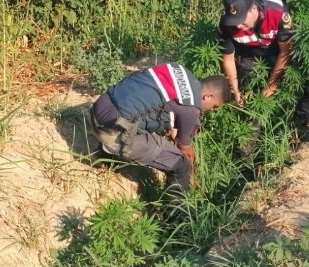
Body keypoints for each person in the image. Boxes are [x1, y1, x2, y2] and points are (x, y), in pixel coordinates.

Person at [90, 62, 231, 195]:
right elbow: (186, 152)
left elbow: (158, 102)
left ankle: (104, 156)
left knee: (135, 114)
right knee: (181, 166)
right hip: (111, 131)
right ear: (208, 96)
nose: (212, 110)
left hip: (98, 108)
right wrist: (193, 175)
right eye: (214, 106)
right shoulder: (191, 110)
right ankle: (174, 216)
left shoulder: (177, 69)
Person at [218, 0, 309, 143]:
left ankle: (299, 126)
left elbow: (285, 51)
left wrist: (271, 87)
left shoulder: (278, 12)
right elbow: (228, 58)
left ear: (253, 9)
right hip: (252, 55)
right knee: (252, 98)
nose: (238, 27)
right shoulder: (226, 23)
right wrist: (235, 90)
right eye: (235, 22)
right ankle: (247, 152)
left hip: (280, 49)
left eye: (242, 21)